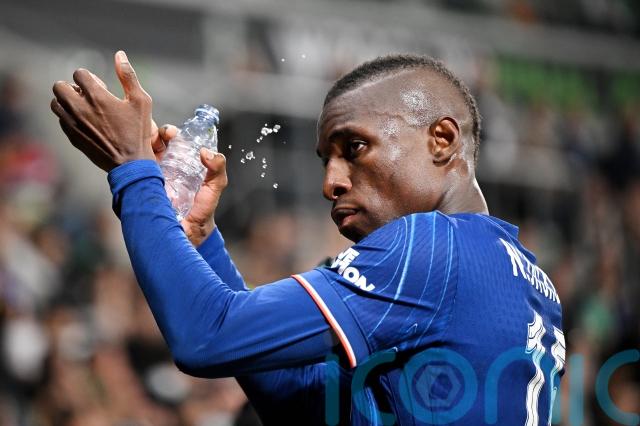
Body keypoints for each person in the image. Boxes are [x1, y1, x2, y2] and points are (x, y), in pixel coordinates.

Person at [51, 51, 564, 425]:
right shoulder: (530, 282)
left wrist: (133, 170)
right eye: (326, 160)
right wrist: (201, 240)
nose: (331, 182)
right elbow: (298, 402)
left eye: (354, 147)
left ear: (442, 140)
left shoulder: (432, 246)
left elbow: (204, 337)